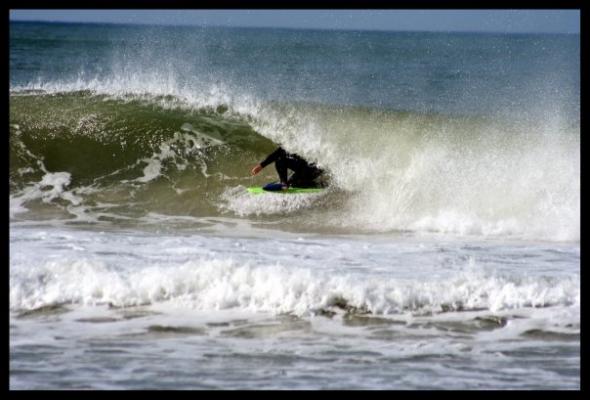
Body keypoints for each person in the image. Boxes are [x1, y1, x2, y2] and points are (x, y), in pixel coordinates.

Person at [250, 146, 325, 189]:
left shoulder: (301, 140)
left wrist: (261, 166)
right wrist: (261, 166)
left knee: (279, 160)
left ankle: (284, 184)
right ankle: (313, 183)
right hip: (312, 170)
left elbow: (279, 153)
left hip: (310, 170)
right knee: (293, 183)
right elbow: (279, 152)